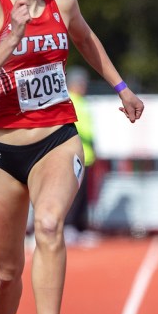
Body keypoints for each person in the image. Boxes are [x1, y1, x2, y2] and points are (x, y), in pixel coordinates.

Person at [0, 0, 144, 314]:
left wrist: (121, 87)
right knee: (4, 270)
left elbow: (87, 41)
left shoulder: (64, 1)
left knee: (51, 224)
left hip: (56, 136)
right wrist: (10, 40)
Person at [63, 66, 97, 245]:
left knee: (83, 195)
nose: (84, 86)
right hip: (74, 154)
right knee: (73, 193)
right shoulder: (69, 100)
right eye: (81, 83)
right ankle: (69, 226)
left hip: (87, 155)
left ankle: (80, 227)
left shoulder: (83, 101)